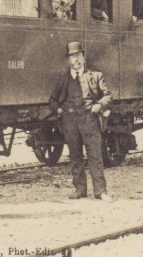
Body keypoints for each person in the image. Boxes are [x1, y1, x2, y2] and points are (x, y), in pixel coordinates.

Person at [49, 41, 113, 201]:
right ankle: (80, 190)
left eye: (78, 56)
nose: (76, 60)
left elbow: (108, 96)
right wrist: (58, 109)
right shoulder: (63, 79)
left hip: (90, 120)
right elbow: (52, 100)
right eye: (72, 57)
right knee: (75, 156)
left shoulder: (96, 76)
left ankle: (101, 191)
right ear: (68, 60)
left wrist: (99, 105)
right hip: (70, 122)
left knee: (95, 156)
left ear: (83, 58)